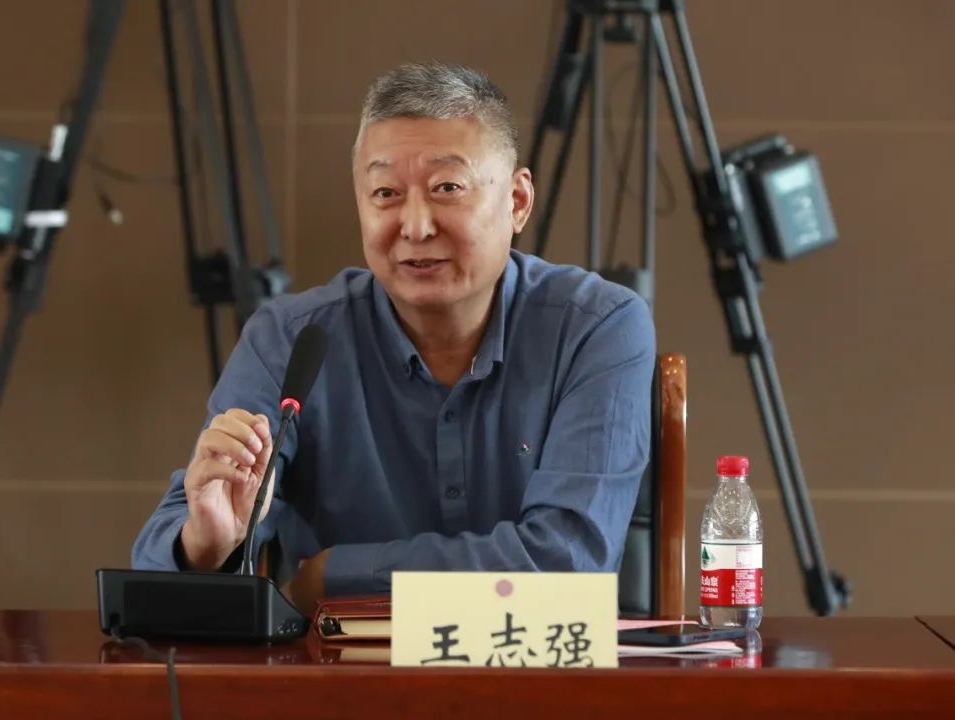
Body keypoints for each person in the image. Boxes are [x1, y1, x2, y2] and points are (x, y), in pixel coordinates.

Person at [132, 62, 656, 615]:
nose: (415, 226)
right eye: (385, 193)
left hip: (532, 662)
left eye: (447, 188)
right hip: (338, 668)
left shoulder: (596, 326)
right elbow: (157, 567)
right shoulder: (290, 340)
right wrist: (207, 543)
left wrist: (331, 575)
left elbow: (566, 565)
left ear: (517, 201)